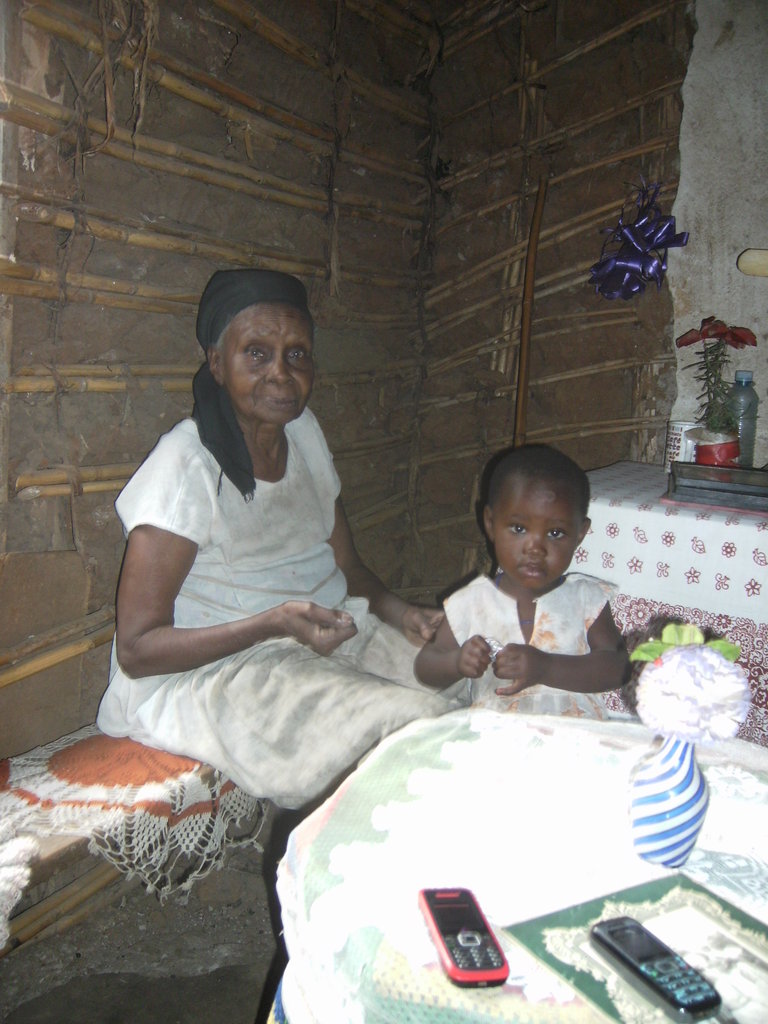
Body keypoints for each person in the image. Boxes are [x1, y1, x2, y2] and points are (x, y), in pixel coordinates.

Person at [96, 268, 464, 810]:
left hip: (327, 630)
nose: (281, 375)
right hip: (219, 676)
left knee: (465, 676)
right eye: (257, 354)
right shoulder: (188, 465)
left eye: (297, 354)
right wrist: (271, 623)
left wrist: (400, 611)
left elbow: (348, 566)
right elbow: (137, 651)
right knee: (417, 731)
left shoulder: (305, 433)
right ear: (217, 363)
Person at [414, 444, 629, 717]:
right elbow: (426, 665)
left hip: (576, 741)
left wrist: (545, 668)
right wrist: (457, 663)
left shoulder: (586, 599)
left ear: (580, 534)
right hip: (495, 738)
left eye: (555, 533)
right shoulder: (472, 602)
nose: (535, 548)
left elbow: (619, 667)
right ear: (491, 524)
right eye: (518, 529)